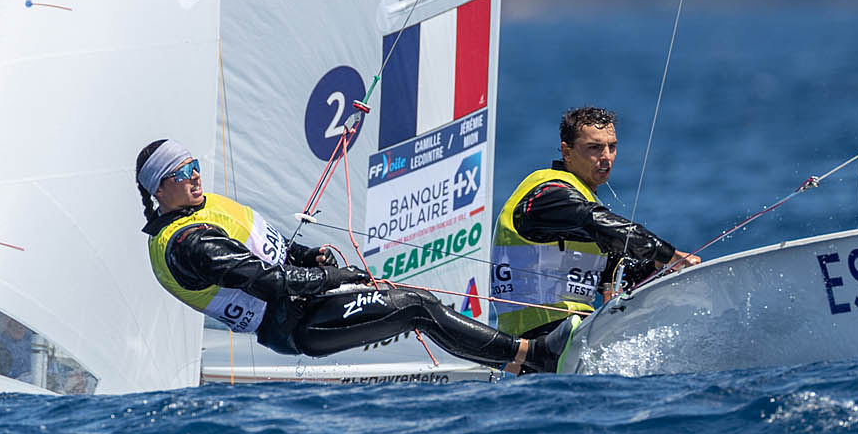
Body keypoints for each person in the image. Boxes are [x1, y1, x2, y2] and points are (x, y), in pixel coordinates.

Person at [136, 139, 574, 375]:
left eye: (195, 166)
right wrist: (333, 278)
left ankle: (520, 360)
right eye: (181, 174)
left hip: (308, 304)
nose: (194, 177)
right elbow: (270, 282)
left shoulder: (205, 205)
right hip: (297, 325)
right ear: (160, 189)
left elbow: (275, 249)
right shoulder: (189, 244)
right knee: (417, 307)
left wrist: (312, 254)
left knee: (418, 303)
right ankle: (532, 355)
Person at [492, 106, 701, 339]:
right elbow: (598, 222)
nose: (606, 157)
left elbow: (612, 272)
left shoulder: (583, 196)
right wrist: (667, 254)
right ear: (567, 152)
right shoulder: (549, 192)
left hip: (574, 331)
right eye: (594, 148)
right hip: (536, 339)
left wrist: (658, 271)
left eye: (612, 147)